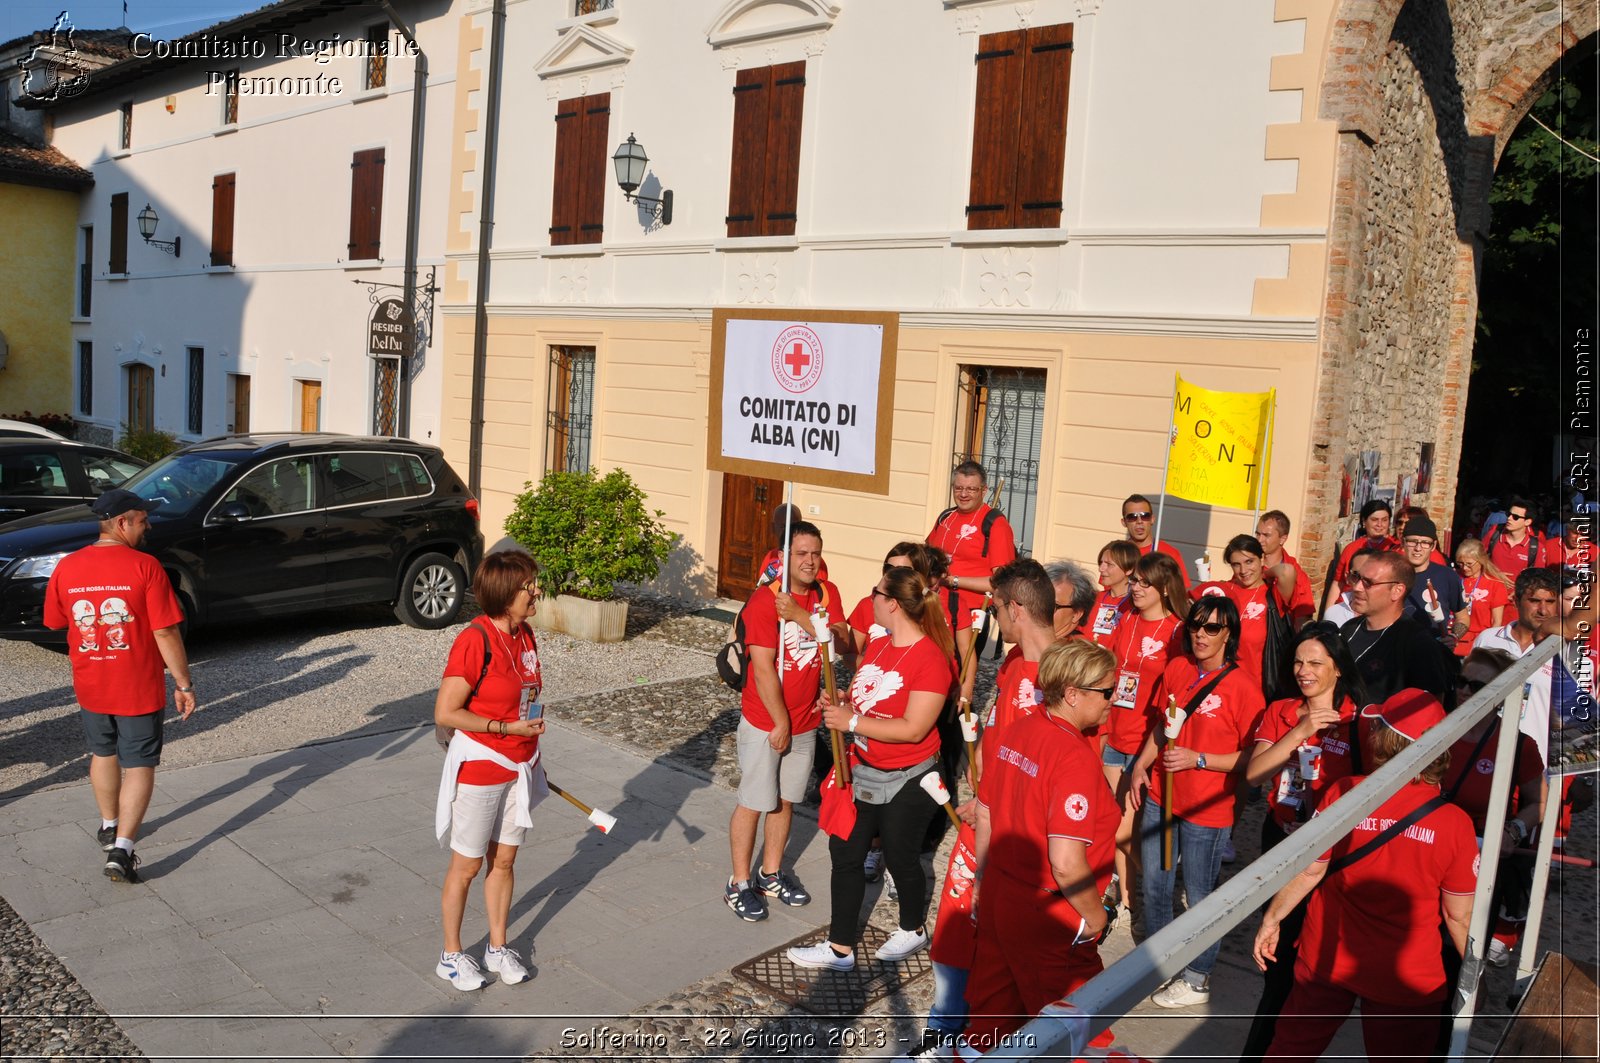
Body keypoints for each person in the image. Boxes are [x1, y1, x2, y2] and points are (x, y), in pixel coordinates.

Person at [1253, 690, 1478, 1063]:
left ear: (1384, 738)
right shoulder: (1455, 824)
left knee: (1291, 1051)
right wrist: (1475, 972)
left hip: (1328, 953)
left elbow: (1311, 869)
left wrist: (1272, 919)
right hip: (1405, 974)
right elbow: (1459, 916)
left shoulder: (1344, 792)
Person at [958, 640, 1122, 1059]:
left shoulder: (1019, 729)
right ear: (1073, 694)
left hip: (1001, 894)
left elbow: (988, 814)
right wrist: (1096, 916)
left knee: (991, 1024)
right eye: (1107, 691)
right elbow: (1066, 864)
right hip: (1050, 915)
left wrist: (981, 881)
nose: (1113, 700)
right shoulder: (1073, 757)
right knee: (1078, 1038)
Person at [789, 566, 956, 971]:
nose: (871, 600)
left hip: (909, 778)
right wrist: (845, 701)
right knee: (844, 853)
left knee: (900, 858)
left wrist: (852, 722)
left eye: (876, 593)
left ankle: (913, 928)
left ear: (893, 603)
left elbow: (915, 729)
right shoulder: (880, 645)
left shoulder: (931, 659)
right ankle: (840, 947)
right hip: (862, 770)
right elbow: (869, 696)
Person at [920, 559, 1056, 1049]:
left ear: (1015, 608)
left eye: (995, 607)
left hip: (1021, 843)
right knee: (953, 934)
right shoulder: (1013, 663)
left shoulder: (1066, 676)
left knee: (1002, 957)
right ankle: (943, 1036)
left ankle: (987, 1044)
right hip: (982, 822)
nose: (992, 617)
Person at [43, 488, 197, 884]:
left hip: (91, 681)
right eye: (144, 520)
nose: (148, 527)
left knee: (102, 752)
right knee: (140, 763)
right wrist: (183, 682)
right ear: (122, 522)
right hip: (137, 685)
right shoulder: (145, 566)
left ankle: (109, 824)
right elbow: (165, 631)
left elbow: (57, 623)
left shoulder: (67, 566)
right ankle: (123, 850)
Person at [1126, 595, 1266, 1008]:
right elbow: (1159, 728)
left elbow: (1253, 758)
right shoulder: (1177, 668)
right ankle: (1159, 962)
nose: (1200, 635)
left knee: (1202, 895)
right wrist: (1140, 766)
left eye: (1212, 628)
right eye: (1195, 625)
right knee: (1155, 884)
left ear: (1229, 635)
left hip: (1207, 810)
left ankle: (1198, 976)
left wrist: (1198, 759)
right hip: (1161, 798)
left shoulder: (1243, 687)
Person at [1238, 624, 1366, 1061]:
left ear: (1337, 668)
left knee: (1311, 960)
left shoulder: (1357, 718)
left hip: (1333, 852)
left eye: (1315, 663)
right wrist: (1301, 730)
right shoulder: (1281, 710)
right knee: (1277, 961)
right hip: (1282, 838)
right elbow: (1254, 774)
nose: (1303, 671)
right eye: (1298, 662)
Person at [432, 550, 547, 991]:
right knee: (466, 866)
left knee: (505, 860)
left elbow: (525, 692)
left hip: (519, 764)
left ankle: (497, 948)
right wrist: (504, 726)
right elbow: (446, 711)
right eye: (528, 586)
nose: (535, 591)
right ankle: (451, 954)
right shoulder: (474, 639)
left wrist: (528, 727)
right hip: (481, 767)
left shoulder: (525, 634)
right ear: (504, 593)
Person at [726, 520, 840, 922]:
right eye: (802, 554)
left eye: (815, 553)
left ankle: (770, 872)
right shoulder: (765, 602)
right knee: (755, 801)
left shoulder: (827, 594)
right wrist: (780, 722)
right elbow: (762, 669)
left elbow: (839, 640)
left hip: (807, 721)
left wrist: (802, 617)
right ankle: (739, 881)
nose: (810, 561)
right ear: (784, 558)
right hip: (767, 721)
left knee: (786, 800)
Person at [1442, 648, 1544, 969]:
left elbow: (1539, 802)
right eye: (1462, 681)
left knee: (1455, 959)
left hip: (1477, 865)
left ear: (1501, 695)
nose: (1464, 691)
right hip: (1428, 857)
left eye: (1477, 686)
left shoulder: (1518, 745)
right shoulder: (1435, 730)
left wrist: (1514, 830)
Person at [1100, 551, 1187, 919]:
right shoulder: (1128, 618)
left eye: (1144, 582)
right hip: (1115, 733)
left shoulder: (1179, 629)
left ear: (1165, 588)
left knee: (1126, 830)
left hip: (1146, 740)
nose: (1135, 588)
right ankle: (1131, 900)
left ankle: (1157, 890)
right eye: (1134, 580)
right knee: (1115, 824)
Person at [927, 461, 1018, 708]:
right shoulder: (946, 516)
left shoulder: (994, 523)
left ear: (984, 490)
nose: (964, 494)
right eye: (959, 488)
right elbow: (926, 554)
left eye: (971, 489)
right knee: (930, 668)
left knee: (956, 673)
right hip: (937, 605)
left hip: (968, 612)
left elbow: (1001, 580)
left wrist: (953, 580)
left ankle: (957, 723)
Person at [1338, 551, 1454, 708]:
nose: (1357, 587)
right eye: (1356, 577)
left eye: (1368, 583)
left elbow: (1428, 710)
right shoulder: (1349, 628)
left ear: (1397, 591)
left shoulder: (1418, 644)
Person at [1472, 566, 1562, 764]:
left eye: (1550, 602)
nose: (1543, 610)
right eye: (1534, 601)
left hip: (1536, 766)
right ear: (1516, 601)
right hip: (1482, 756)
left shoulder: (1569, 655)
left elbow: (1577, 724)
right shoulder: (1487, 640)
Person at [1193, 533, 1285, 696]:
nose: (1243, 570)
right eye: (1236, 564)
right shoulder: (1222, 591)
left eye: (1249, 561)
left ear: (1262, 558)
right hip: (1213, 686)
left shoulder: (1272, 595)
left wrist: (1266, 573)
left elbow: (1287, 571)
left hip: (1252, 691)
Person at [1399, 513, 1468, 646]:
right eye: (1412, 541)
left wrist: (1454, 636)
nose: (1418, 548)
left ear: (1433, 545)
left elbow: (1463, 617)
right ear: (1403, 542)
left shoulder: (1447, 576)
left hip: (1433, 653)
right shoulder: (1389, 574)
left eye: (1425, 543)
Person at [1322, 498, 1399, 617]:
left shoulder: (1395, 549)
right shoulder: (1351, 548)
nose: (1380, 524)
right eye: (1374, 520)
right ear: (1364, 521)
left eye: (1384, 520)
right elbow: (1338, 583)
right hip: (1348, 607)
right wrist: (1327, 617)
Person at [1256, 510, 1316, 628]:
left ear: (1282, 539)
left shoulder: (1297, 574)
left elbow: (1302, 617)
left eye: (1266, 535)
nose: (1259, 540)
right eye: (1258, 534)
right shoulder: (1249, 564)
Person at [1453, 538, 1512, 657]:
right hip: (1451, 640)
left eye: (1469, 564)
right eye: (1460, 563)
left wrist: (1488, 648)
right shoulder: (1453, 577)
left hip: (1477, 644)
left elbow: (1497, 622)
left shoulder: (1495, 584)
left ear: (1481, 561)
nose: (1464, 568)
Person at [1121, 493, 1189, 587]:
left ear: (1152, 519)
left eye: (1145, 516)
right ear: (1124, 522)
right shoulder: (1117, 554)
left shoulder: (1170, 553)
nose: (1139, 521)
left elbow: (1181, 592)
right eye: (1132, 517)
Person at [757, 503, 829, 586]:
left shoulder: (813, 562)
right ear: (773, 527)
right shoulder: (771, 556)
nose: (788, 531)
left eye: (792, 526)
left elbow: (818, 596)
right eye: (783, 526)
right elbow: (761, 587)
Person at [1486, 496, 1550, 587]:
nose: (1509, 518)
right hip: (1491, 593)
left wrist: (1520, 592)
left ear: (1527, 522)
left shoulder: (1536, 547)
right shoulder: (1493, 534)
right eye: (1508, 514)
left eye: (1515, 517)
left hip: (1518, 598)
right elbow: (1479, 559)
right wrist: (1495, 574)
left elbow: (1537, 578)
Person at [1089, 540, 1140, 646]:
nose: (1101, 569)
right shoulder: (1093, 599)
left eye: (1109, 564)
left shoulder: (1135, 605)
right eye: (1101, 563)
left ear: (1129, 569)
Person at [1045, 558, 1099, 641]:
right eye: (1037, 602)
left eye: (1052, 606)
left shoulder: (1078, 653)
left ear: (1076, 614)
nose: (1039, 611)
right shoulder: (1033, 643)